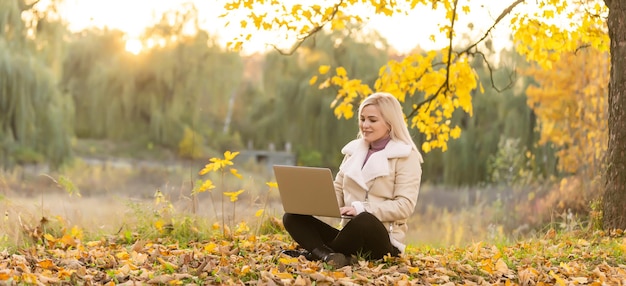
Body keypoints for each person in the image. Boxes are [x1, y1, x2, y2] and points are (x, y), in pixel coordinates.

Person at [281, 92, 423, 267]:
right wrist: (312, 199)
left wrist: (360, 209)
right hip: (348, 236)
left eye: (372, 120)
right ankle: (327, 256)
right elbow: (339, 190)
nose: (365, 125)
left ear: (389, 123)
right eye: (362, 119)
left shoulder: (406, 157)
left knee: (363, 219)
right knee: (291, 217)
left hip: (383, 242)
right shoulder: (353, 152)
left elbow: (405, 205)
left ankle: (316, 253)